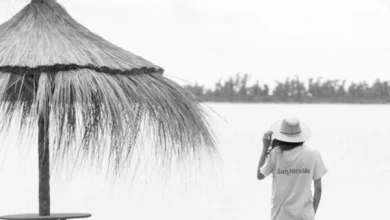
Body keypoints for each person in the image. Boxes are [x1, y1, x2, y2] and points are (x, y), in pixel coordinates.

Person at [257, 118, 328, 220]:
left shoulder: (276, 153)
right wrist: (311, 214)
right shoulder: (313, 154)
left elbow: (260, 175)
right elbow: (319, 189)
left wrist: (265, 148)